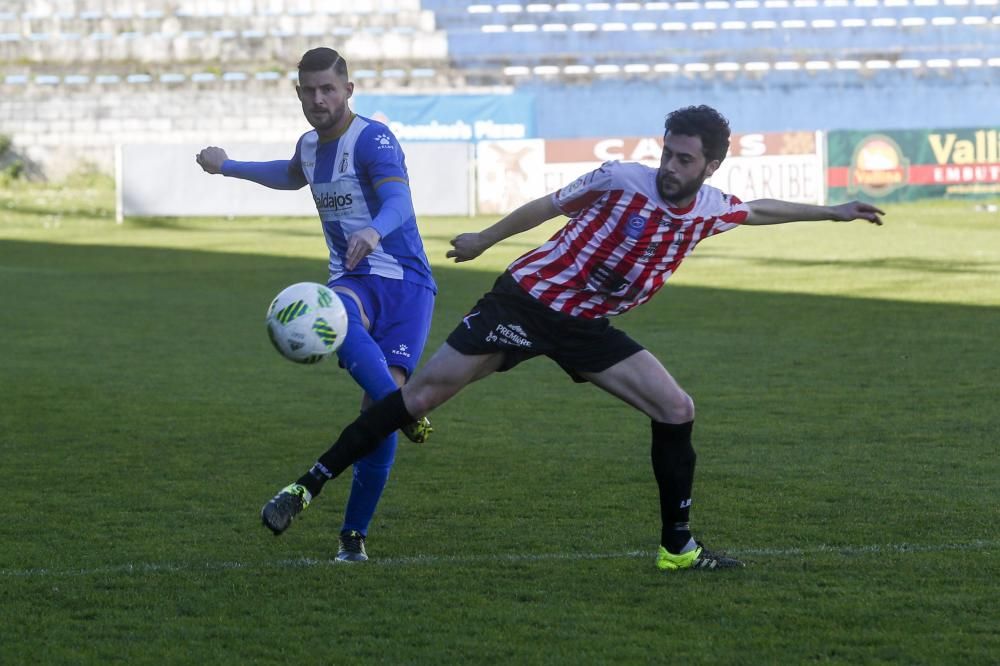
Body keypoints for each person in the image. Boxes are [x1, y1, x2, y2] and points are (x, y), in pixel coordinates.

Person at [260, 104, 884, 571]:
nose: (670, 167)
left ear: (711, 165)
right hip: (524, 302)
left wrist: (832, 212)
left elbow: (761, 211)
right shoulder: (619, 179)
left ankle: (678, 550)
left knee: (676, 409)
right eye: (667, 153)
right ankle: (304, 486)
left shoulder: (710, 208)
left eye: (685, 159)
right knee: (416, 398)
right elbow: (548, 206)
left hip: (585, 328)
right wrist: (483, 240)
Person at [196, 47, 437, 563]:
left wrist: (375, 229)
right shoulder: (309, 146)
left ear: (348, 90)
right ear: (298, 92)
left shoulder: (371, 139)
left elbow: (399, 202)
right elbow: (289, 174)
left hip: (406, 285)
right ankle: (409, 413)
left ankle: (353, 538)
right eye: (308, 90)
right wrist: (228, 166)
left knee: (376, 420)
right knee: (332, 308)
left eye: (328, 89)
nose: (317, 99)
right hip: (354, 280)